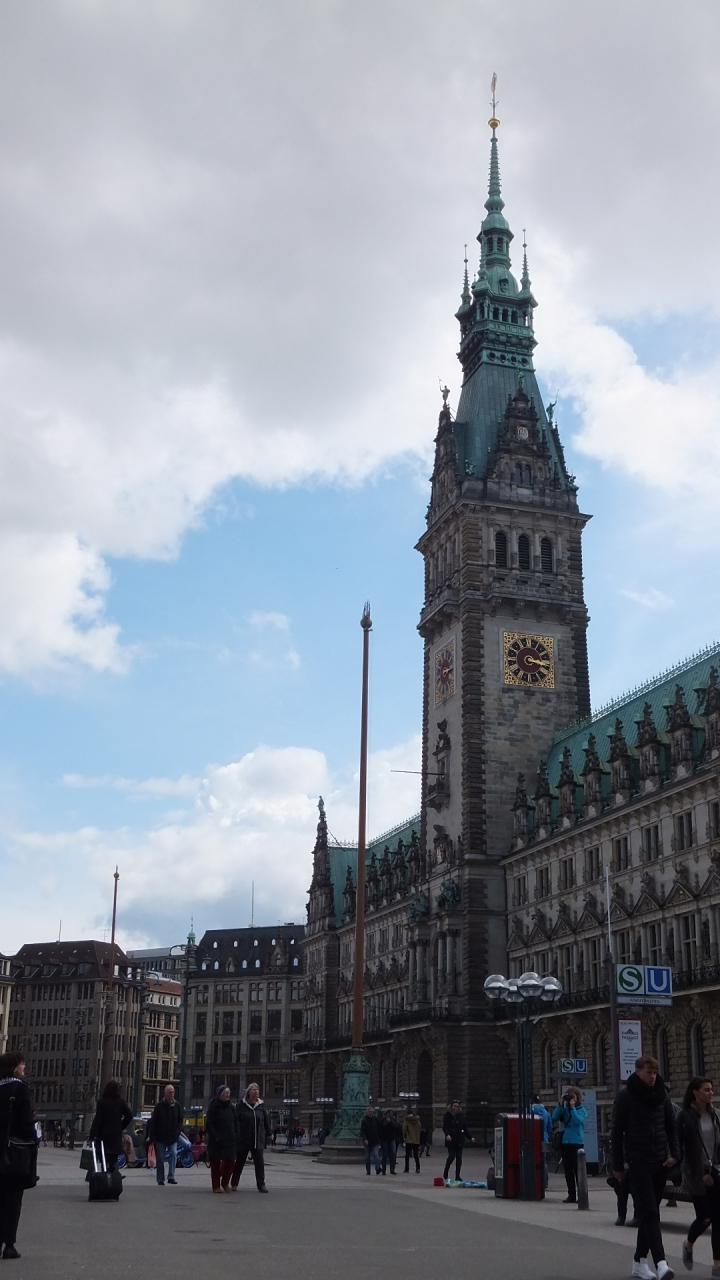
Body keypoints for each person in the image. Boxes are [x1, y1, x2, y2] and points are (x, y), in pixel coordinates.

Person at [612, 1054, 678, 1280]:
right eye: (649, 1072)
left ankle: (639, 1262)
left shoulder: (662, 1094)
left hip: (659, 1160)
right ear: (638, 1071)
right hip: (638, 1160)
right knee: (649, 1211)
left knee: (650, 1212)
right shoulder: (626, 1096)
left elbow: (670, 1126)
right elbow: (616, 1132)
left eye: (655, 1073)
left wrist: (674, 1154)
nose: (653, 1077)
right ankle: (661, 1263)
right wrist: (617, 1165)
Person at [678, 1076, 720, 1275]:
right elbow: (681, 1148)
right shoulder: (685, 1117)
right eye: (706, 1090)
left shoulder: (715, 1115)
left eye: (711, 1089)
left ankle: (717, 1265)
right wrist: (698, 1173)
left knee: (718, 1219)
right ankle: (688, 1244)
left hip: (716, 1171)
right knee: (705, 1217)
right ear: (695, 1092)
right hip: (696, 1173)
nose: (710, 1093)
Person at [0, 1050, 36, 1261]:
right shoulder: (20, 1088)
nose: (24, 1067)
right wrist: (33, 1139)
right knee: (13, 1200)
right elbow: (26, 1123)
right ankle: (9, 1245)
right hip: (14, 1151)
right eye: (22, 1064)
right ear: (14, 1067)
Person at [231, 1083, 270, 1192]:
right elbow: (235, 1122)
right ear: (248, 1092)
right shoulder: (240, 1106)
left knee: (259, 1163)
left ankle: (261, 1185)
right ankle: (234, 1183)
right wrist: (236, 1135)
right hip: (243, 1139)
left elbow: (266, 1121)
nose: (256, 1091)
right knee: (239, 1162)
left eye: (257, 1090)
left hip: (257, 1139)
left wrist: (269, 1134)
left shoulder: (261, 1106)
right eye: (253, 1089)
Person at [88, 1080, 133, 1174]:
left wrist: (92, 1135)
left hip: (103, 1136)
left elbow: (97, 1120)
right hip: (115, 1136)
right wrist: (121, 1126)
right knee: (113, 1159)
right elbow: (129, 1116)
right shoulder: (120, 1102)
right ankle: (113, 1175)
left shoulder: (102, 1102)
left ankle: (105, 1176)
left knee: (104, 1159)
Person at [552, 1086, 587, 1203]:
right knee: (568, 1171)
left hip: (577, 1143)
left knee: (578, 1171)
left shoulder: (582, 1110)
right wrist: (560, 1104)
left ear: (577, 1098)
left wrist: (573, 1108)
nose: (571, 1099)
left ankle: (582, 1195)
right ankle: (571, 1194)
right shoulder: (565, 1109)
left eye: (573, 1097)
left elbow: (578, 1121)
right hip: (566, 1142)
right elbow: (554, 1117)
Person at [147, 1084, 183, 1187]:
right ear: (165, 1093)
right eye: (170, 1092)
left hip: (173, 1136)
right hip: (160, 1137)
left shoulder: (177, 1106)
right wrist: (152, 1136)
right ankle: (160, 1179)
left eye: (173, 1092)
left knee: (174, 1153)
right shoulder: (159, 1106)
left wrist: (178, 1132)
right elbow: (154, 1122)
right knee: (160, 1158)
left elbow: (180, 1120)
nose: (172, 1094)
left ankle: (171, 1176)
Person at [206, 1085, 237, 1194]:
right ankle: (216, 1186)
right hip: (217, 1141)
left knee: (231, 1162)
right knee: (215, 1164)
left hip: (230, 1140)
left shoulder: (232, 1107)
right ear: (219, 1095)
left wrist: (236, 1134)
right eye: (225, 1093)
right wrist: (216, 1136)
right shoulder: (213, 1106)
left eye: (228, 1093)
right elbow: (209, 1124)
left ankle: (225, 1182)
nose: (227, 1095)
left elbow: (236, 1122)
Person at [442, 1100, 473, 1181]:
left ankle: (457, 1176)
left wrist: (470, 1137)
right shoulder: (447, 1115)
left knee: (459, 1159)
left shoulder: (461, 1116)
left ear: (459, 1107)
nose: (455, 1107)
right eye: (454, 1106)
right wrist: (447, 1134)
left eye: (457, 1106)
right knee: (451, 1156)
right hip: (451, 1140)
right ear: (451, 1106)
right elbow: (445, 1127)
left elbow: (465, 1128)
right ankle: (446, 1171)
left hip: (459, 1140)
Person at [531, 1095, 552, 1190]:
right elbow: (549, 1128)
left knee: (531, 1160)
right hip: (544, 1139)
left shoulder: (529, 1111)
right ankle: (544, 1182)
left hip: (532, 1139)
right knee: (543, 1161)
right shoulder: (546, 1113)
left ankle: (533, 1180)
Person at [360, 1106, 382, 1175]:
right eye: (370, 1112)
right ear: (367, 1112)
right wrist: (365, 1139)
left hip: (375, 1141)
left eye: (372, 1112)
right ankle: (368, 1171)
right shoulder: (364, 1120)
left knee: (376, 1155)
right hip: (367, 1141)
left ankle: (377, 1168)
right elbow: (362, 1131)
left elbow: (379, 1128)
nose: (371, 1113)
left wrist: (380, 1138)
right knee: (367, 1157)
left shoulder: (375, 1119)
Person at [380, 1110, 399, 1175]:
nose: (390, 1115)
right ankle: (384, 1170)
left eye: (391, 1114)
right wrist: (387, 1122)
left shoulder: (393, 1120)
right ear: (386, 1114)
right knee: (385, 1154)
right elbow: (382, 1127)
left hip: (392, 1139)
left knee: (393, 1154)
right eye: (389, 1114)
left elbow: (396, 1126)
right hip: (384, 1139)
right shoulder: (383, 1120)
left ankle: (392, 1169)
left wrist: (390, 1122)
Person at [403, 1107, 422, 1174]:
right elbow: (420, 1128)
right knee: (416, 1155)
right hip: (416, 1140)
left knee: (407, 1155)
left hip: (409, 1140)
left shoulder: (406, 1120)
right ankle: (418, 1168)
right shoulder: (417, 1120)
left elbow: (404, 1129)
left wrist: (404, 1137)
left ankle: (406, 1169)